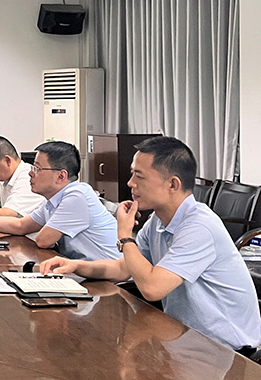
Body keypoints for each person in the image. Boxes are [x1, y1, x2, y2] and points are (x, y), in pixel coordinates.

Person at [40, 136, 261, 353]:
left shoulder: (199, 226)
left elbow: (152, 289)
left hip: (225, 349)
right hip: (183, 336)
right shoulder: (158, 220)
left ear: (173, 184)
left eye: (139, 176)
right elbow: (123, 269)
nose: (130, 183)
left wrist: (125, 236)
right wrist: (76, 266)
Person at [0, 141, 119, 261]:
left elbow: (43, 241)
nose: (31, 173)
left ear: (61, 176)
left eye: (37, 168)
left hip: (111, 283)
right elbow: (20, 226)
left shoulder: (77, 195)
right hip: (85, 273)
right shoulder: (52, 201)